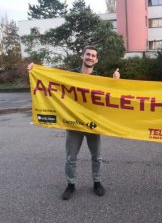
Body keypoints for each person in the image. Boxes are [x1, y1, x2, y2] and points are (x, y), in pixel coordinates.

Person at [28, 46, 120, 200]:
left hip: (92, 123)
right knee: (71, 157)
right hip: (74, 122)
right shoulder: (70, 75)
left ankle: (97, 182)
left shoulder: (99, 79)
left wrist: (116, 81)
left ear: (96, 60)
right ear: (83, 56)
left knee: (97, 156)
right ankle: (70, 185)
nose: (90, 57)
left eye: (93, 56)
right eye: (88, 54)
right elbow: (52, 78)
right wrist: (35, 69)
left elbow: (112, 95)